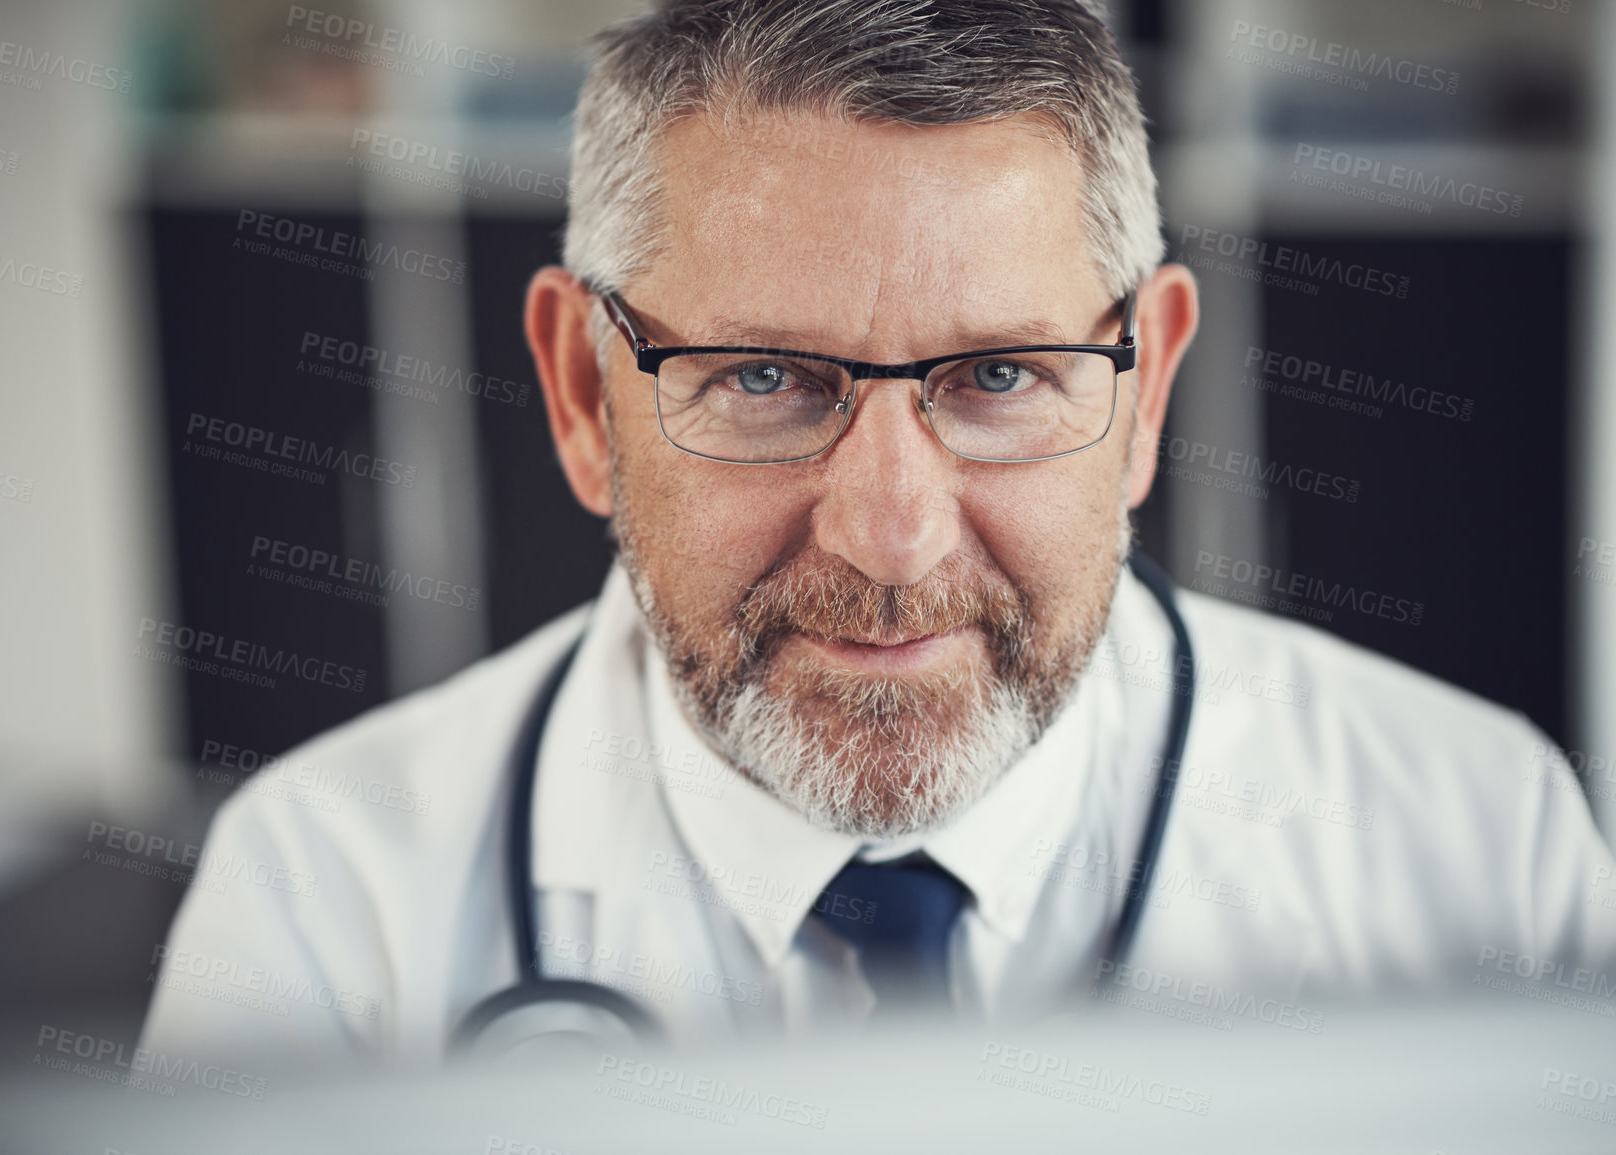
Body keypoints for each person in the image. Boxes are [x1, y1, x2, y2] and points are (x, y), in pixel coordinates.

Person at [141, 0, 1616, 1066]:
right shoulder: (323, 905)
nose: (895, 535)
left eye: (1000, 378)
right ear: (586, 397)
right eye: (765, 380)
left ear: (1149, 385)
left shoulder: (1482, 842)